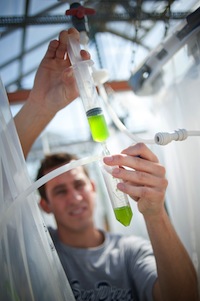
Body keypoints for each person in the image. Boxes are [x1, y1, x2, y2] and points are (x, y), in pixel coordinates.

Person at [14, 28, 199, 301]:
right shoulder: (36, 252)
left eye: (79, 184)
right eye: (60, 191)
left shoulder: (130, 251)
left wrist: (155, 214)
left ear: (94, 187)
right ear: (44, 205)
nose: (75, 196)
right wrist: (40, 106)